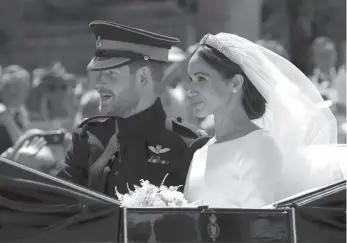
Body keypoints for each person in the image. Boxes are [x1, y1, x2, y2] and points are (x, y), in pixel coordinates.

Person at [184, 33, 344, 208]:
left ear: (235, 83)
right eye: (190, 79)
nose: (191, 90)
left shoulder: (260, 145)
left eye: (201, 79)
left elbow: (260, 224)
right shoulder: (200, 153)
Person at [55, 21, 206, 197]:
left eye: (111, 74)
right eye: (101, 74)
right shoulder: (88, 138)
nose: (99, 84)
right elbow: (59, 205)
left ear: (143, 77)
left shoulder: (189, 147)